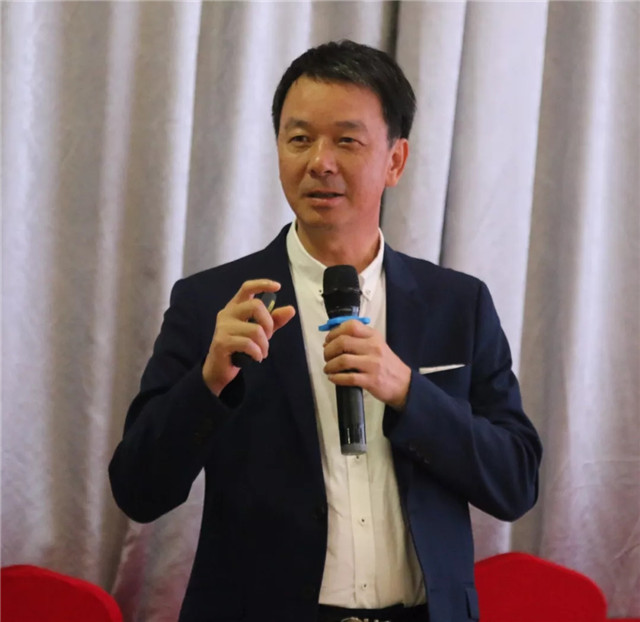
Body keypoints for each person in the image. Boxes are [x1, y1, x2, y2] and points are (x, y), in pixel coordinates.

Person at [109, 40, 542, 622]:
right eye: (299, 139)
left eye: (346, 140)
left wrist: (409, 392)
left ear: (395, 160)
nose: (320, 162)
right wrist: (207, 383)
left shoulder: (458, 304)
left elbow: (515, 481)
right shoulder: (214, 303)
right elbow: (138, 491)